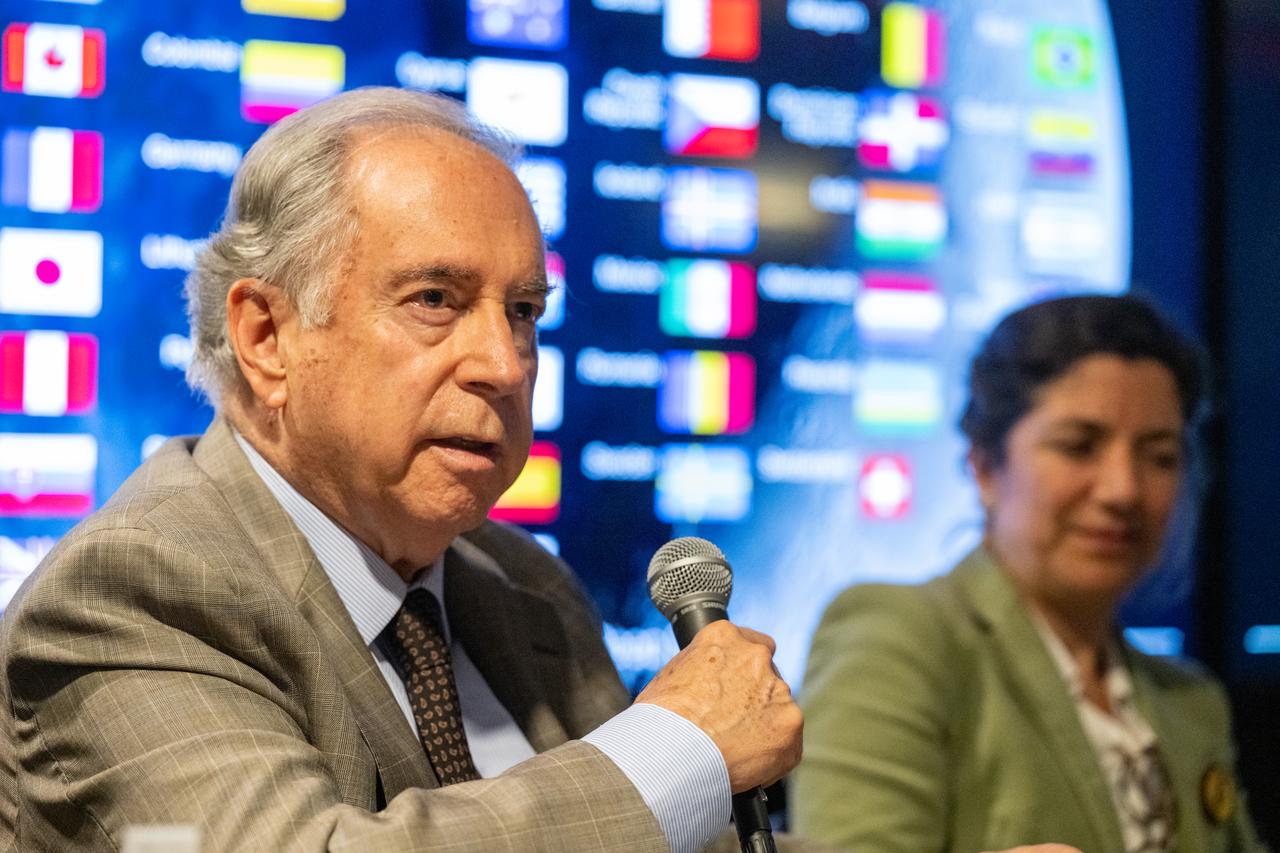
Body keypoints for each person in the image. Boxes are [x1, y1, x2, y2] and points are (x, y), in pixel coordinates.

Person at [0, 87, 804, 852]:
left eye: (523, 312)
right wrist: (678, 745)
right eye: (434, 299)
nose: (504, 363)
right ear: (266, 336)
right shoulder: (131, 589)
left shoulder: (529, 590)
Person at [790, 295, 1264, 852]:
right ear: (986, 466)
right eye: (1079, 446)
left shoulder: (1189, 699)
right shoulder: (899, 637)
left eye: (1158, 455)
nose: (1123, 490)